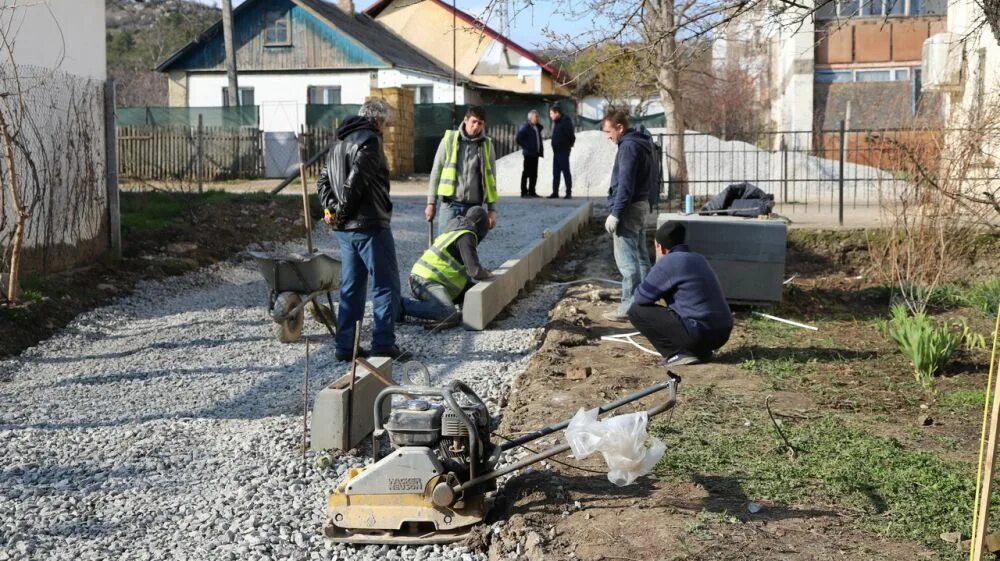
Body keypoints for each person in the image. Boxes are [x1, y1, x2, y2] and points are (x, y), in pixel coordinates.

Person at [317, 98, 404, 361]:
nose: (385, 128)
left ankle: (346, 347)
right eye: (385, 123)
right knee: (385, 285)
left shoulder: (338, 143)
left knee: (351, 288)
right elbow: (356, 183)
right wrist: (342, 212)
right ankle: (383, 344)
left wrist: (333, 212)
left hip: (345, 230)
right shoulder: (370, 141)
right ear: (378, 120)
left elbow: (322, 182)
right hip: (370, 225)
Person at [627, 222, 733, 366]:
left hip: (700, 333)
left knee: (636, 311)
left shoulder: (670, 261)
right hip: (722, 333)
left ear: (660, 246)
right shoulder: (698, 258)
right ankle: (701, 353)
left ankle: (679, 353)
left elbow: (640, 297)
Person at [601, 109, 657, 323]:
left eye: (609, 131)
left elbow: (625, 184)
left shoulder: (628, 147)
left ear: (620, 128)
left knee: (627, 261)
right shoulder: (643, 143)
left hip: (629, 208)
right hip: (641, 205)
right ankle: (644, 302)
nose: (608, 136)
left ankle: (628, 308)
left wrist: (616, 213)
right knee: (642, 257)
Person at [402, 206, 493, 327]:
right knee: (448, 314)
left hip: (433, 281)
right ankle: (399, 305)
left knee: (478, 297)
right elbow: (475, 272)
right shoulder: (466, 236)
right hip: (423, 281)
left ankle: (433, 306)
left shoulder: (457, 231)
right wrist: (488, 274)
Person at [426, 106, 498, 233]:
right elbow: (436, 171)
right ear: (466, 120)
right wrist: (431, 203)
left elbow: (491, 179)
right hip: (450, 205)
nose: (476, 126)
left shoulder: (487, 145)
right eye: (473, 122)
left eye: (480, 123)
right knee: (444, 247)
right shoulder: (449, 140)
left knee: (467, 249)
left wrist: (492, 210)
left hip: (473, 208)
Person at [548, 104, 575, 199]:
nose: (550, 115)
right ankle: (555, 192)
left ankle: (568, 192)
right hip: (556, 152)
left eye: (551, 113)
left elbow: (571, 136)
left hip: (563, 151)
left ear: (557, 113)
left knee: (566, 172)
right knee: (556, 173)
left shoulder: (566, 121)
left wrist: (567, 147)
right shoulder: (556, 122)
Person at [515, 110, 544, 198]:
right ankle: (524, 192)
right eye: (536, 117)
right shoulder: (526, 126)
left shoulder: (536, 127)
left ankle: (532, 191)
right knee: (526, 173)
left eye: (538, 116)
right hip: (528, 154)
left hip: (535, 154)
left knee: (534, 174)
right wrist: (527, 147)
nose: (538, 118)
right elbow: (519, 138)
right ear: (531, 117)